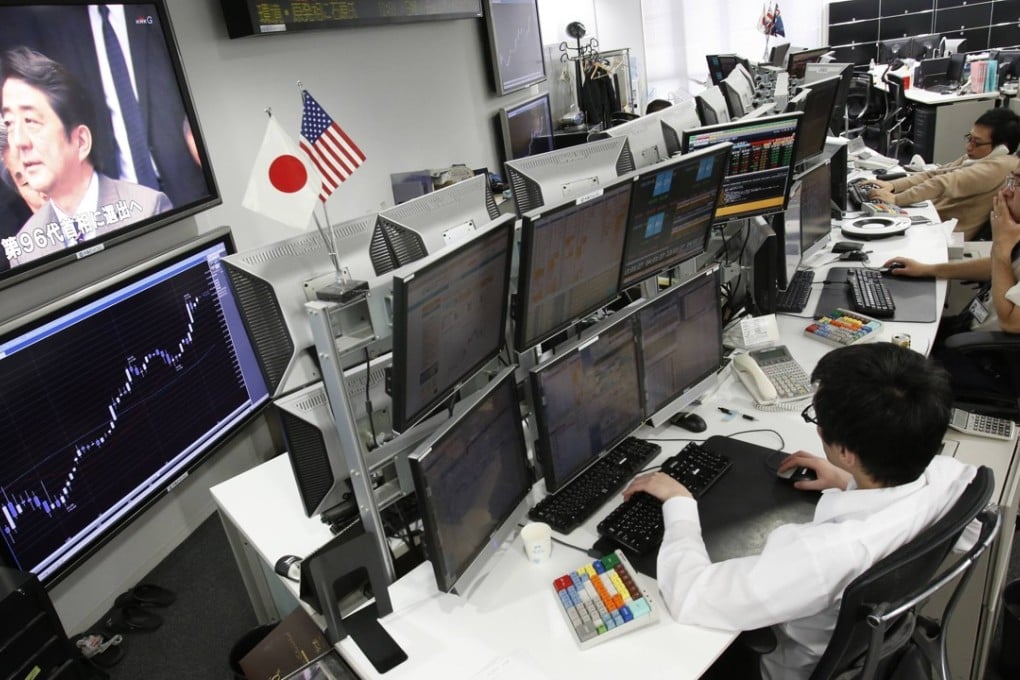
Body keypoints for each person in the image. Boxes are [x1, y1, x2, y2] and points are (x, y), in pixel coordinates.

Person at [621, 342, 976, 680]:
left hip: (782, 668)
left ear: (848, 451)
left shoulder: (824, 553)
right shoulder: (953, 478)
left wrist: (678, 502)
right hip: (872, 646)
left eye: (817, 419)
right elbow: (964, 528)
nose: (818, 427)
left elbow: (691, 596)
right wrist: (848, 479)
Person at [0, 46, 171, 267]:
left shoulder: (148, 208)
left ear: (81, 141)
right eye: (10, 124)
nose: (19, 141)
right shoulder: (25, 248)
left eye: (31, 121)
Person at [867, 107, 1020, 240]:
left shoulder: (1002, 165)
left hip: (943, 234)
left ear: (1002, 148)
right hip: (928, 218)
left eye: (977, 142)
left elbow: (942, 183)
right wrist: (892, 185)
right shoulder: (978, 157)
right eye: (969, 138)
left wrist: (896, 199)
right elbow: (934, 174)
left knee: (871, 230)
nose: (969, 147)